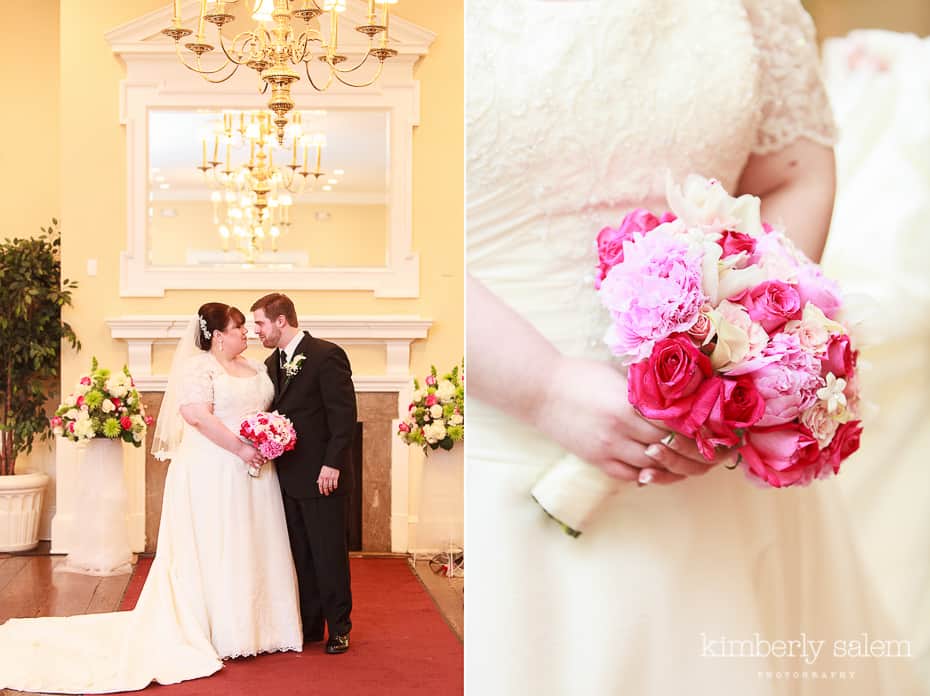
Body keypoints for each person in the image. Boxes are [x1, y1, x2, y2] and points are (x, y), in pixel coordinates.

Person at [465, 1, 927, 694]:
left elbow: (793, 171)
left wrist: (743, 346)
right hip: (498, 433)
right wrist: (545, 386)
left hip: (713, 459)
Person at [0, 302, 302, 692]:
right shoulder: (199, 369)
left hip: (256, 474)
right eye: (238, 327)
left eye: (247, 326)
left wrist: (267, 437)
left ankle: (262, 626)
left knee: (252, 542)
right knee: (216, 544)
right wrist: (241, 448)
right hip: (212, 469)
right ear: (217, 335)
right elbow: (198, 417)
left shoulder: (259, 368)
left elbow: (264, 409)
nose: (246, 333)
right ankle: (220, 629)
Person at [251, 293, 357, 655]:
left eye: (261, 324)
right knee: (300, 555)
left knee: (328, 554)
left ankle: (340, 628)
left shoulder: (327, 355)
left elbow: (343, 417)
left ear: (281, 321)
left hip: (322, 476)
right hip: (287, 477)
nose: (257, 332)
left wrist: (333, 464)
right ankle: (310, 625)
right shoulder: (269, 363)